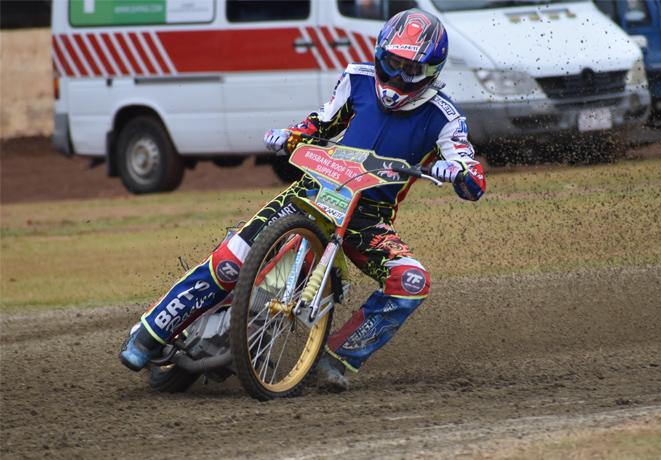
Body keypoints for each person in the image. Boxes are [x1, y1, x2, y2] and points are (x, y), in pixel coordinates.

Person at [119, 9, 486, 392]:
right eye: (392, 63)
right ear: (379, 54)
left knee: (410, 281)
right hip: (312, 192)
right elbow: (321, 122)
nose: (397, 77)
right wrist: (291, 135)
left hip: (367, 219)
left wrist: (459, 172)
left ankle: (334, 360)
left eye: (410, 70)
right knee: (231, 262)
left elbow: (471, 175)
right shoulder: (357, 79)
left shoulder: (445, 117)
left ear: (432, 72)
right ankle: (149, 333)